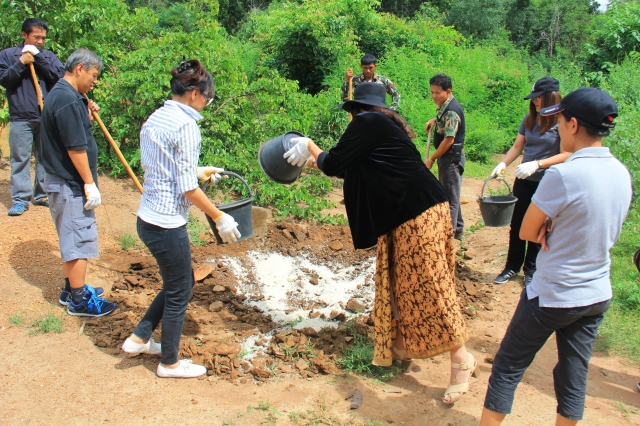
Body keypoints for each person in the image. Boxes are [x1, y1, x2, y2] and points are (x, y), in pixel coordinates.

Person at [284, 83, 477, 404]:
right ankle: (401, 347)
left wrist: (309, 145)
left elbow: (333, 164)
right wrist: (311, 160)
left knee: (430, 286)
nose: (351, 119)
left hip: (418, 212)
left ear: (359, 110)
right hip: (406, 214)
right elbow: (348, 168)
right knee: (398, 282)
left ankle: (462, 360)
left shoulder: (368, 122)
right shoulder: (383, 127)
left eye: (352, 113)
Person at [480, 87, 632, 426]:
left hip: (554, 293)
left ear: (573, 125)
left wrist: (548, 224)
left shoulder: (563, 175)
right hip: (596, 294)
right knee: (573, 376)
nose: (558, 128)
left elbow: (526, 231)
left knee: (507, 366)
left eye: (560, 122)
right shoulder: (621, 172)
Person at [121, 59, 240, 379]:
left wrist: (198, 171)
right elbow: (187, 188)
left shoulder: (157, 117)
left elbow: (163, 167)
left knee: (179, 282)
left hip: (147, 217)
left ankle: (139, 338)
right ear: (194, 93)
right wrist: (219, 216)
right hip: (166, 223)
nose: (206, 103)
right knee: (180, 290)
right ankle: (169, 363)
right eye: (207, 98)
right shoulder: (187, 126)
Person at [40, 48, 115, 316]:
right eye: (93, 75)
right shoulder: (67, 100)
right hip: (69, 182)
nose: (95, 82)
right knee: (78, 241)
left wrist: (85, 113)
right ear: (80, 68)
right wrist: (89, 183)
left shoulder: (66, 95)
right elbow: (75, 148)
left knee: (71, 238)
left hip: (62, 180)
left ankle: (71, 289)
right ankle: (80, 301)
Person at [491, 76, 571, 286]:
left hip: (546, 182)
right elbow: (518, 146)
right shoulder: (529, 119)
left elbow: (566, 154)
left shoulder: (561, 122)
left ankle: (531, 269)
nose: (535, 102)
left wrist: (538, 164)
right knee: (517, 222)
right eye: (533, 98)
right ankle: (512, 266)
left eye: (538, 98)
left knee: (538, 225)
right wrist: (503, 164)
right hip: (524, 180)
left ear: (551, 97)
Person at [0, 18, 65, 216]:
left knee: (45, 157)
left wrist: (39, 59)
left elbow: (60, 76)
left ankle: (42, 195)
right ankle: (20, 199)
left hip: (46, 115)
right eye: (36, 37)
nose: (40, 41)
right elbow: (4, 80)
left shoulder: (48, 56)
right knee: (20, 158)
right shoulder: (8, 55)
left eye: (43, 38)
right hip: (21, 116)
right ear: (24, 35)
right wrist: (21, 63)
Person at [424, 73, 465, 239]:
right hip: (446, 158)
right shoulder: (445, 106)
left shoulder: (452, 111)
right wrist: (435, 120)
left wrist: (431, 159)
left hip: (450, 159)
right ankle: (459, 230)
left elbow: (449, 140)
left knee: (450, 199)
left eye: (437, 93)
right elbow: (446, 122)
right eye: (432, 92)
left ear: (448, 91)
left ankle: (448, 236)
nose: (434, 96)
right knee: (452, 192)